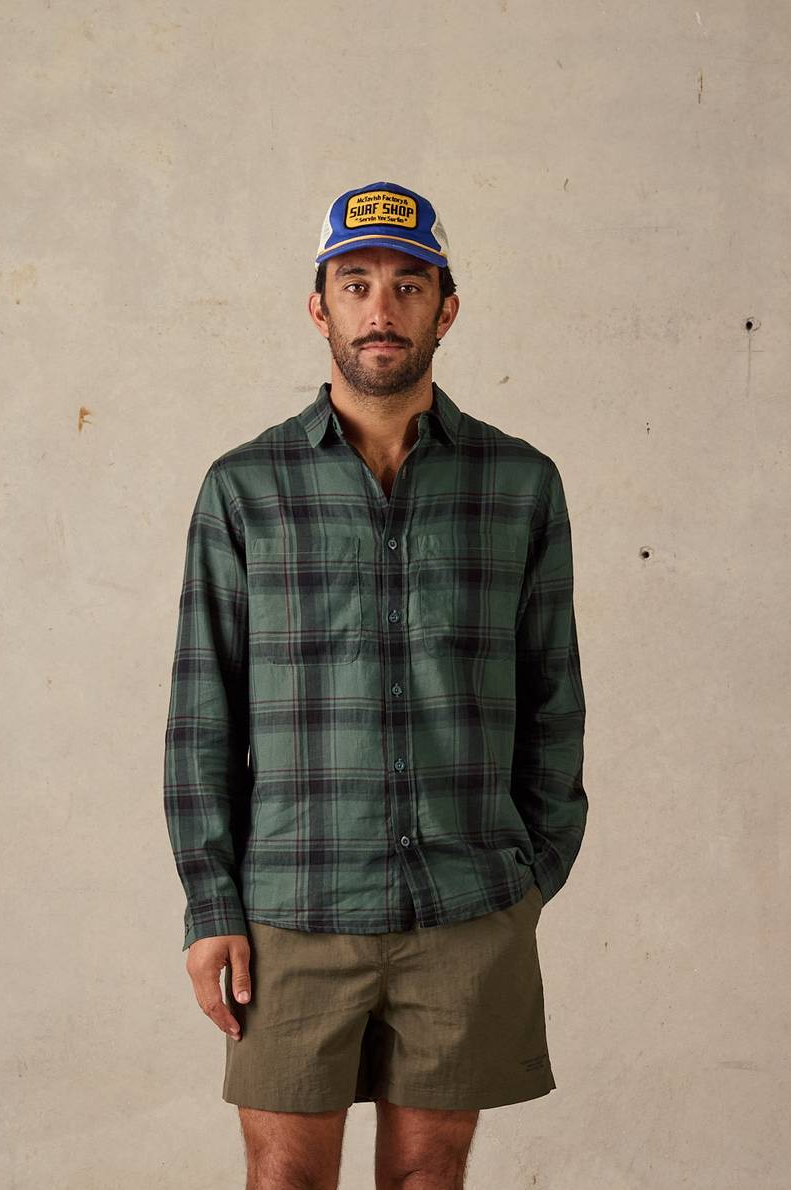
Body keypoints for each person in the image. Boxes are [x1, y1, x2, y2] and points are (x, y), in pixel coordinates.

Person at [163, 180, 589, 1189]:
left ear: (447, 308)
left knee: (429, 1172)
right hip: (292, 906)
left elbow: (553, 698)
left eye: (408, 284)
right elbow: (201, 715)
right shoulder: (245, 489)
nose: (380, 307)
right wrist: (211, 901)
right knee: (285, 1176)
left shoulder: (520, 484)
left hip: (466, 906)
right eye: (355, 283)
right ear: (320, 309)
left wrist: (530, 874)